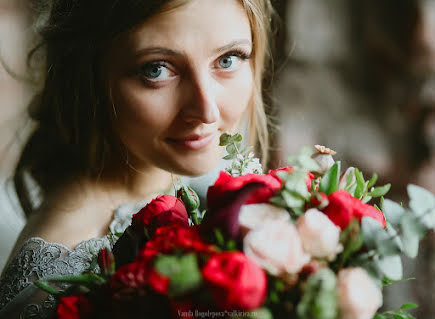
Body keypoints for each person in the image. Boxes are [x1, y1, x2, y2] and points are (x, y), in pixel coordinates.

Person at [0, 0, 275, 317]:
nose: (207, 111)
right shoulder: (56, 282)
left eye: (228, 59)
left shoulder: (180, 182)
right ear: (87, 77)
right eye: (156, 69)